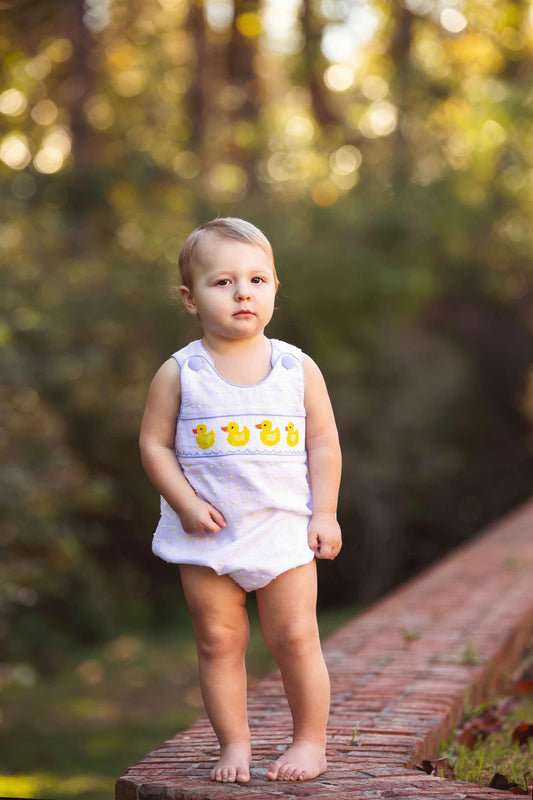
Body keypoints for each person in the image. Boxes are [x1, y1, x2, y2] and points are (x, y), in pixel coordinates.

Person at [139, 217, 342, 784]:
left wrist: (324, 510)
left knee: (297, 637)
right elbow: (153, 445)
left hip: (284, 529)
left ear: (276, 287)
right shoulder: (181, 372)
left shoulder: (295, 367)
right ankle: (235, 744)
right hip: (207, 533)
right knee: (217, 640)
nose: (242, 292)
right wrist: (183, 502)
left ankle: (309, 742)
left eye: (257, 279)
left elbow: (323, 443)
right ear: (190, 297)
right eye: (223, 282)